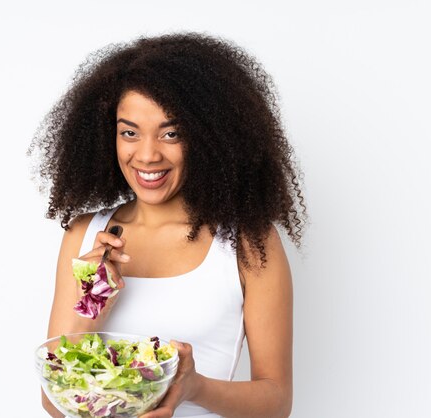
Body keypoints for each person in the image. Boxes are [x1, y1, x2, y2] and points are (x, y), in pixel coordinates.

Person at [29, 32, 306, 418]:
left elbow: (276, 402)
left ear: (207, 137)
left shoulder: (247, 243)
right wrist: (90, 308)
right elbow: (53, 402)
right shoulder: (84, 236)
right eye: (129, 132)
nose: (147, 155)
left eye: (171, 133)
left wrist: (194, 386)